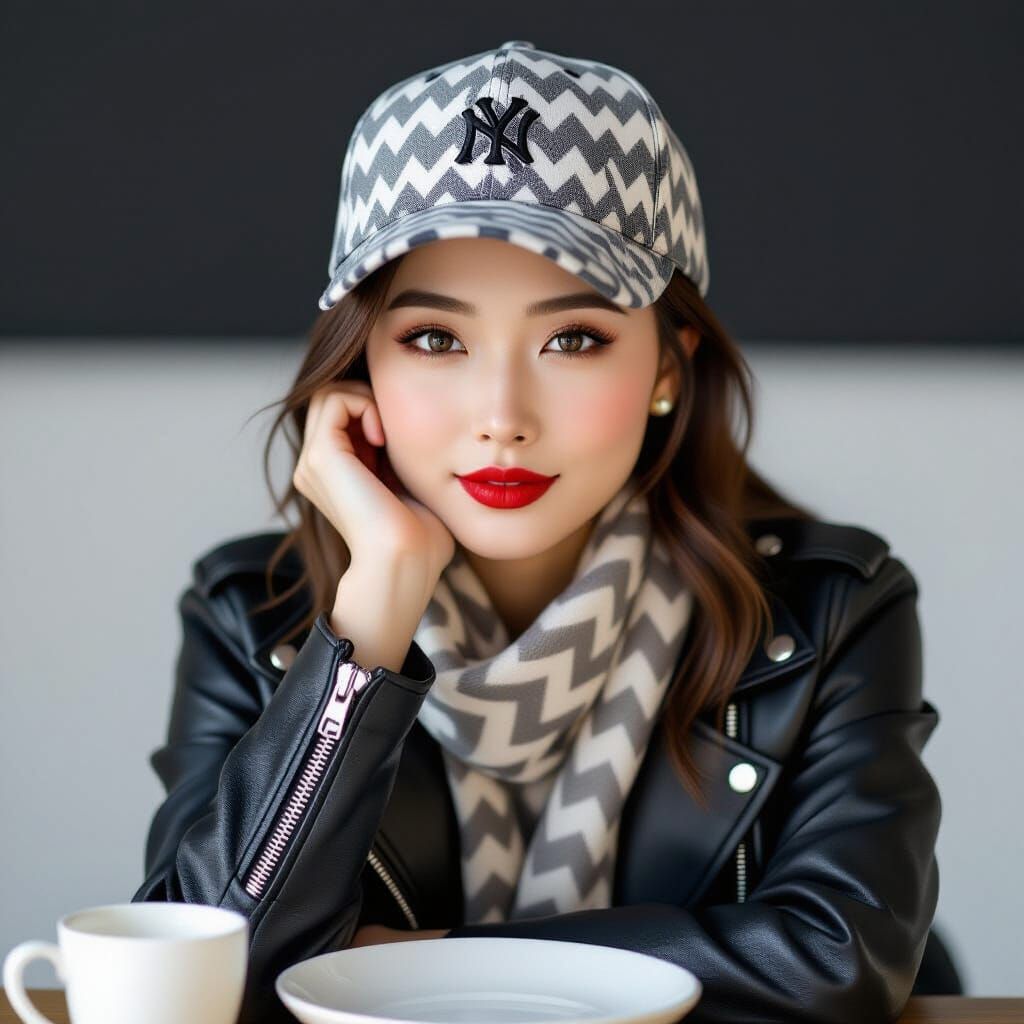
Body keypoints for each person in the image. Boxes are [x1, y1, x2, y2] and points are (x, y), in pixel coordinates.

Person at [132, 40, 946, 1023]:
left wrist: (439, 964)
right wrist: (372, 614)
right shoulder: (253, 614)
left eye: (574, 338)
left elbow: (836, 958)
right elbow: (206, 973)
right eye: (434, 338)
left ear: (666, 367)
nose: (501, 413)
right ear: (364, 369)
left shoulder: (825, 611)